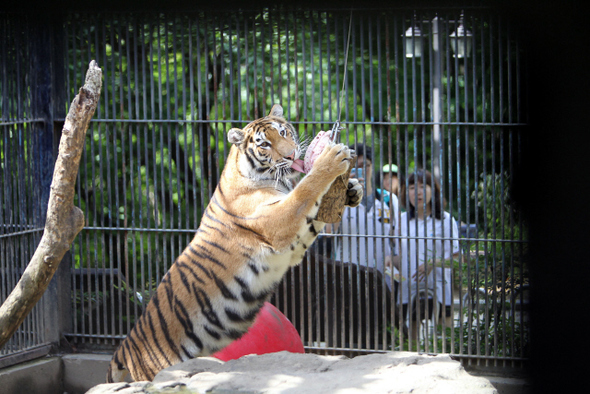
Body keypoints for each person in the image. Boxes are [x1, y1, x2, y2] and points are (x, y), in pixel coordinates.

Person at [386, 169, 460, 339]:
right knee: (410, 343)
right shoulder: (401, 220)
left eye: (422, 186)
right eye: (412, 187)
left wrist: (434, 263)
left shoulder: (446, 220)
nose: (417, 192)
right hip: (409, 290)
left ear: (432, 190)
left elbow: (457, 260)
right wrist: (391, 260)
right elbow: (401, 256)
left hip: (440, 289)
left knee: (444, 341)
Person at [333, 143, 399, 290]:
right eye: (355, 167)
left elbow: (397, 237)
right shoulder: (337, 198)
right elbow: (329, 231)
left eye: (365, 165)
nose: (361, 170)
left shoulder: (388, 199)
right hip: (347, 277)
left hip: (381, 278)